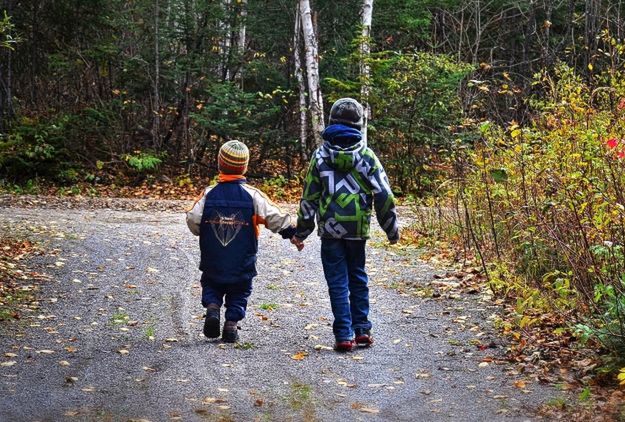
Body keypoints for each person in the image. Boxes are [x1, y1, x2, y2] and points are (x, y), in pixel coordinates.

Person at [292, 98, 399, 352]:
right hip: (357, 230)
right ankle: (362, 329)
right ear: (359, 124)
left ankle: (343, 334)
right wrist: (391, 229)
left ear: (331, 122)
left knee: (337, 281)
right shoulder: (366, 157)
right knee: (358, 276)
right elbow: (384, 194)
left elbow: (310, 197)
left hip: (330, 231)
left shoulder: (320, 157)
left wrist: (302, 231)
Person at [186, 140, 302, 342]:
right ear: (245, 167)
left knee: (211, 284)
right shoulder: (253, 196)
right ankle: (231, 324)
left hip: (213, 257)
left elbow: (193, 219)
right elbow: (274, 216)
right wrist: (292, 232)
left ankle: (213, 308)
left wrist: (201, 230)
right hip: (242, 259)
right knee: (240, 290)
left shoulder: (208, 194)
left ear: (219, 163)